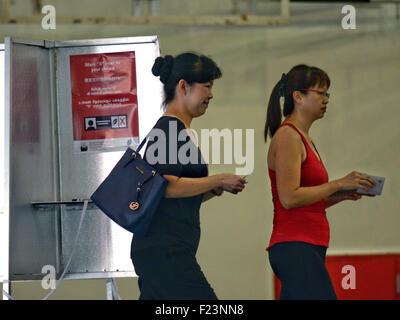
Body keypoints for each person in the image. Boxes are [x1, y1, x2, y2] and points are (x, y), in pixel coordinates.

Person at [131, 52, 247, 300]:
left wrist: (212, 190)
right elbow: (166, 186)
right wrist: (217, 179)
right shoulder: (170, 130)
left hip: (164, 249)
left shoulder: (176, 130)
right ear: (183, 86)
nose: (211, 94)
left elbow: (174, 194)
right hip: (166, 251)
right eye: (206, 86)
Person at [264, 64, 376, 300]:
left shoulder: (304, 138)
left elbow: (306, 200)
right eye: (321, 93)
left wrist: (341, 195)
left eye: (328, 94)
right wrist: (337, 184)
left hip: (307, 245)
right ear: (298, 97)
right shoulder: (288, 137)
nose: (326, 99)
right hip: (295, 245)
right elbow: (289, 197)